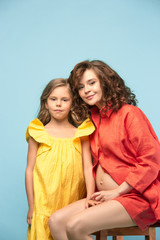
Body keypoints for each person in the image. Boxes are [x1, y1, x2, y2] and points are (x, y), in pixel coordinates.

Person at [48, 60, 160, 240]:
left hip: (135, 198)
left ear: (105, 82)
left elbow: (151, 160)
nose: (87, 90)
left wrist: (118, 191)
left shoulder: (129, 113)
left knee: (75, 226)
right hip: (103, 198)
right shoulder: (92, 120)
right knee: (55, 221)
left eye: (92, 83)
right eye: (81, 87)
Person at [25, 78, 95, 240]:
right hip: (44, 204)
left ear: (72, 103)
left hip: (72, 202)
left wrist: (89, 198)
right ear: (45, 102)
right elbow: (29, 170)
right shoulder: (38, 132)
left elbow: (87, 168)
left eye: (64, 100)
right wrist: (32, 205)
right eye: (53, 99)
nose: (58, 104)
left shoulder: (81, 134)